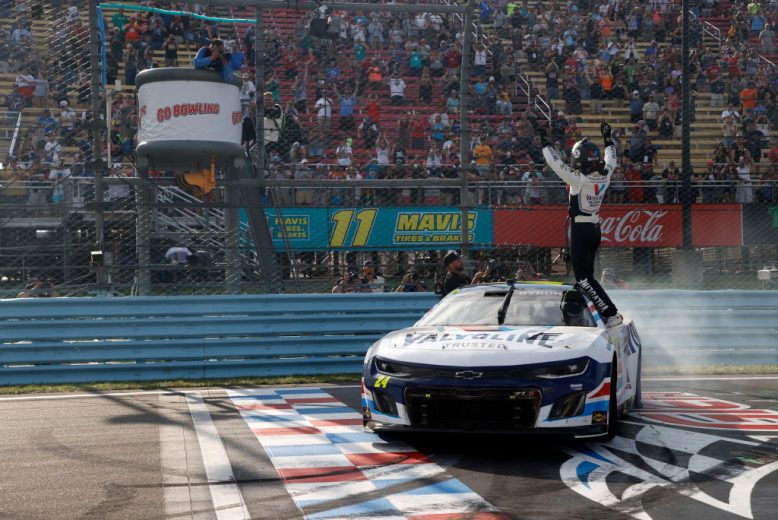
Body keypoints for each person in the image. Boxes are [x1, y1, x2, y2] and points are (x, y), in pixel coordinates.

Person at [541, 122, 622, 327]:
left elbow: (555, 163)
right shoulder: (606, 174)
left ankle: (611, 314)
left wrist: (545, 143)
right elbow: (611, 158)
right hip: (595, 228)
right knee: (587, 278)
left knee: (584, 278)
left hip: (580, 230)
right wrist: (607, 139)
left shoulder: (579, 180)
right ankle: (593, 314)